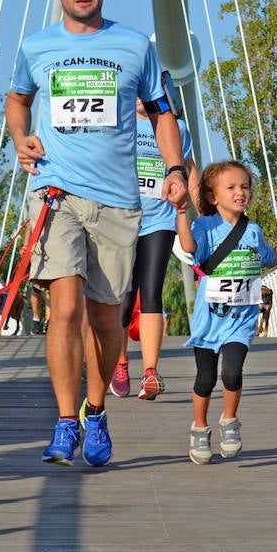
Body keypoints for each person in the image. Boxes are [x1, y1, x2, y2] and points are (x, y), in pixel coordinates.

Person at [7, 0, 190, 468]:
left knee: (107, 320)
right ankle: (66, 423)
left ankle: (95, 409)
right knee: (64, 307)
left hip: (117, 201)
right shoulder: (36, 46)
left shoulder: (135, 46)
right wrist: (21, 138)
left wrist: (175, 170)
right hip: (56, 191)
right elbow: (18, 99)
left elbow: (162, 113)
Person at [178, 161, 277, 464]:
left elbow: (269, 257)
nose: (241, 193)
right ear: (213, 197)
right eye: (232, 187)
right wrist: (182, 213)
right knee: (205, 378)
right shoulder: (205, 226)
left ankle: (230, 421)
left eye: (245, 187)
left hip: (241, 320)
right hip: (210, 319)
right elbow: (188, 247)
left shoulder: (252, 230)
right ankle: (199, 427)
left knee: (232, 372)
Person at [111, 78, 198, 401]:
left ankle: (150, 372)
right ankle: (120, 363)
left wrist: (199, 213)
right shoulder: (117, 125)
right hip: (121, 220)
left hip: (159, 220)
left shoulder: (176, 128)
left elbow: (189, 169)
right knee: (121, 295)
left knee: (151, 291)